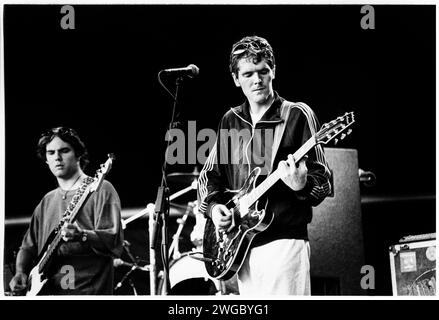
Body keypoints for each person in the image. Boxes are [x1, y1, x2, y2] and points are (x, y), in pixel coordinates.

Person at [197, 36, 332, 295]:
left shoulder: (296, 114)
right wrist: (215, 209)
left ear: (273, 72)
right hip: (242, 245)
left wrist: (303, 185)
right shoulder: (230, 120)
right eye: (248, 74)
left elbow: (323, 180)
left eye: (263, 72)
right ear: (236, 79)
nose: (257, 80)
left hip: (284, 242)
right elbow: (209, 176)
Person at [9, 127, 124, 295]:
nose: (57, 157)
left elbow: (113, 241)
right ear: (46, 160)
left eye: (64, 151)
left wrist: (82, 235)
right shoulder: (47, 201)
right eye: (51, 153)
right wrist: (20, 272)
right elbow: (28, 247)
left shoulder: (101, 189)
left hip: (87, 293)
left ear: (78, 154)